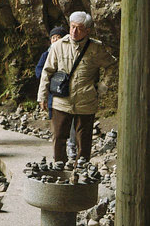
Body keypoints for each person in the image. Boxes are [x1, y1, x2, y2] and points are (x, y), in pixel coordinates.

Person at [37, 10, 110, 163]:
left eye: (79, 28)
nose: (74, 31)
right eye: (72, 27)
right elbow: (47, 71)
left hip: (86, 100)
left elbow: (112, 65)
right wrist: (42, 96)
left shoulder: (96, 48)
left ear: (87, 30)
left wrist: (102, 86)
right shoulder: (59, 46)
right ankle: (59, 165)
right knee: (58, 135)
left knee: (84, 138)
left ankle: (82, 169)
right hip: (61, 100)